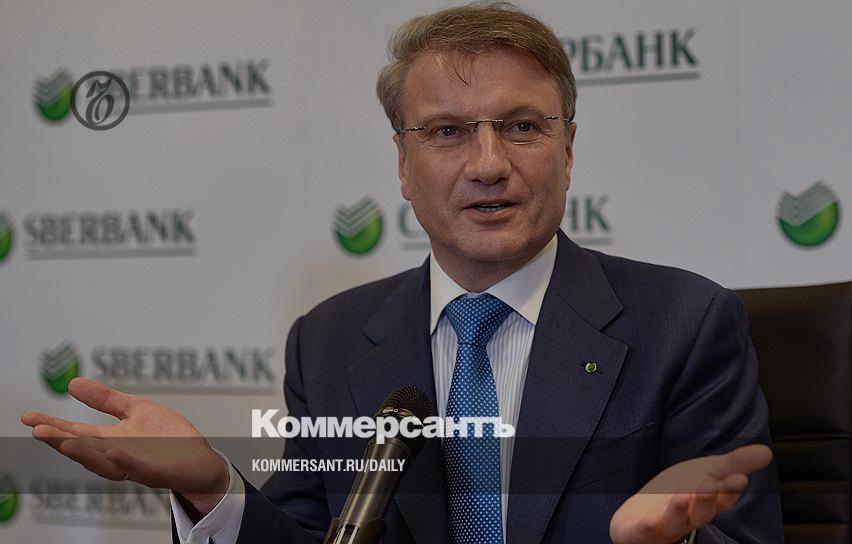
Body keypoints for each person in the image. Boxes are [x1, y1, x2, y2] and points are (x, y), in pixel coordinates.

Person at [21, 3, 783, 543]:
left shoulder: (685, 325)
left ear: (569, 149)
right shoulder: (330, 342)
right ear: (403, 164)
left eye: (522, 126)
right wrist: (210, 486)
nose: (488, 164)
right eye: (448, 132)